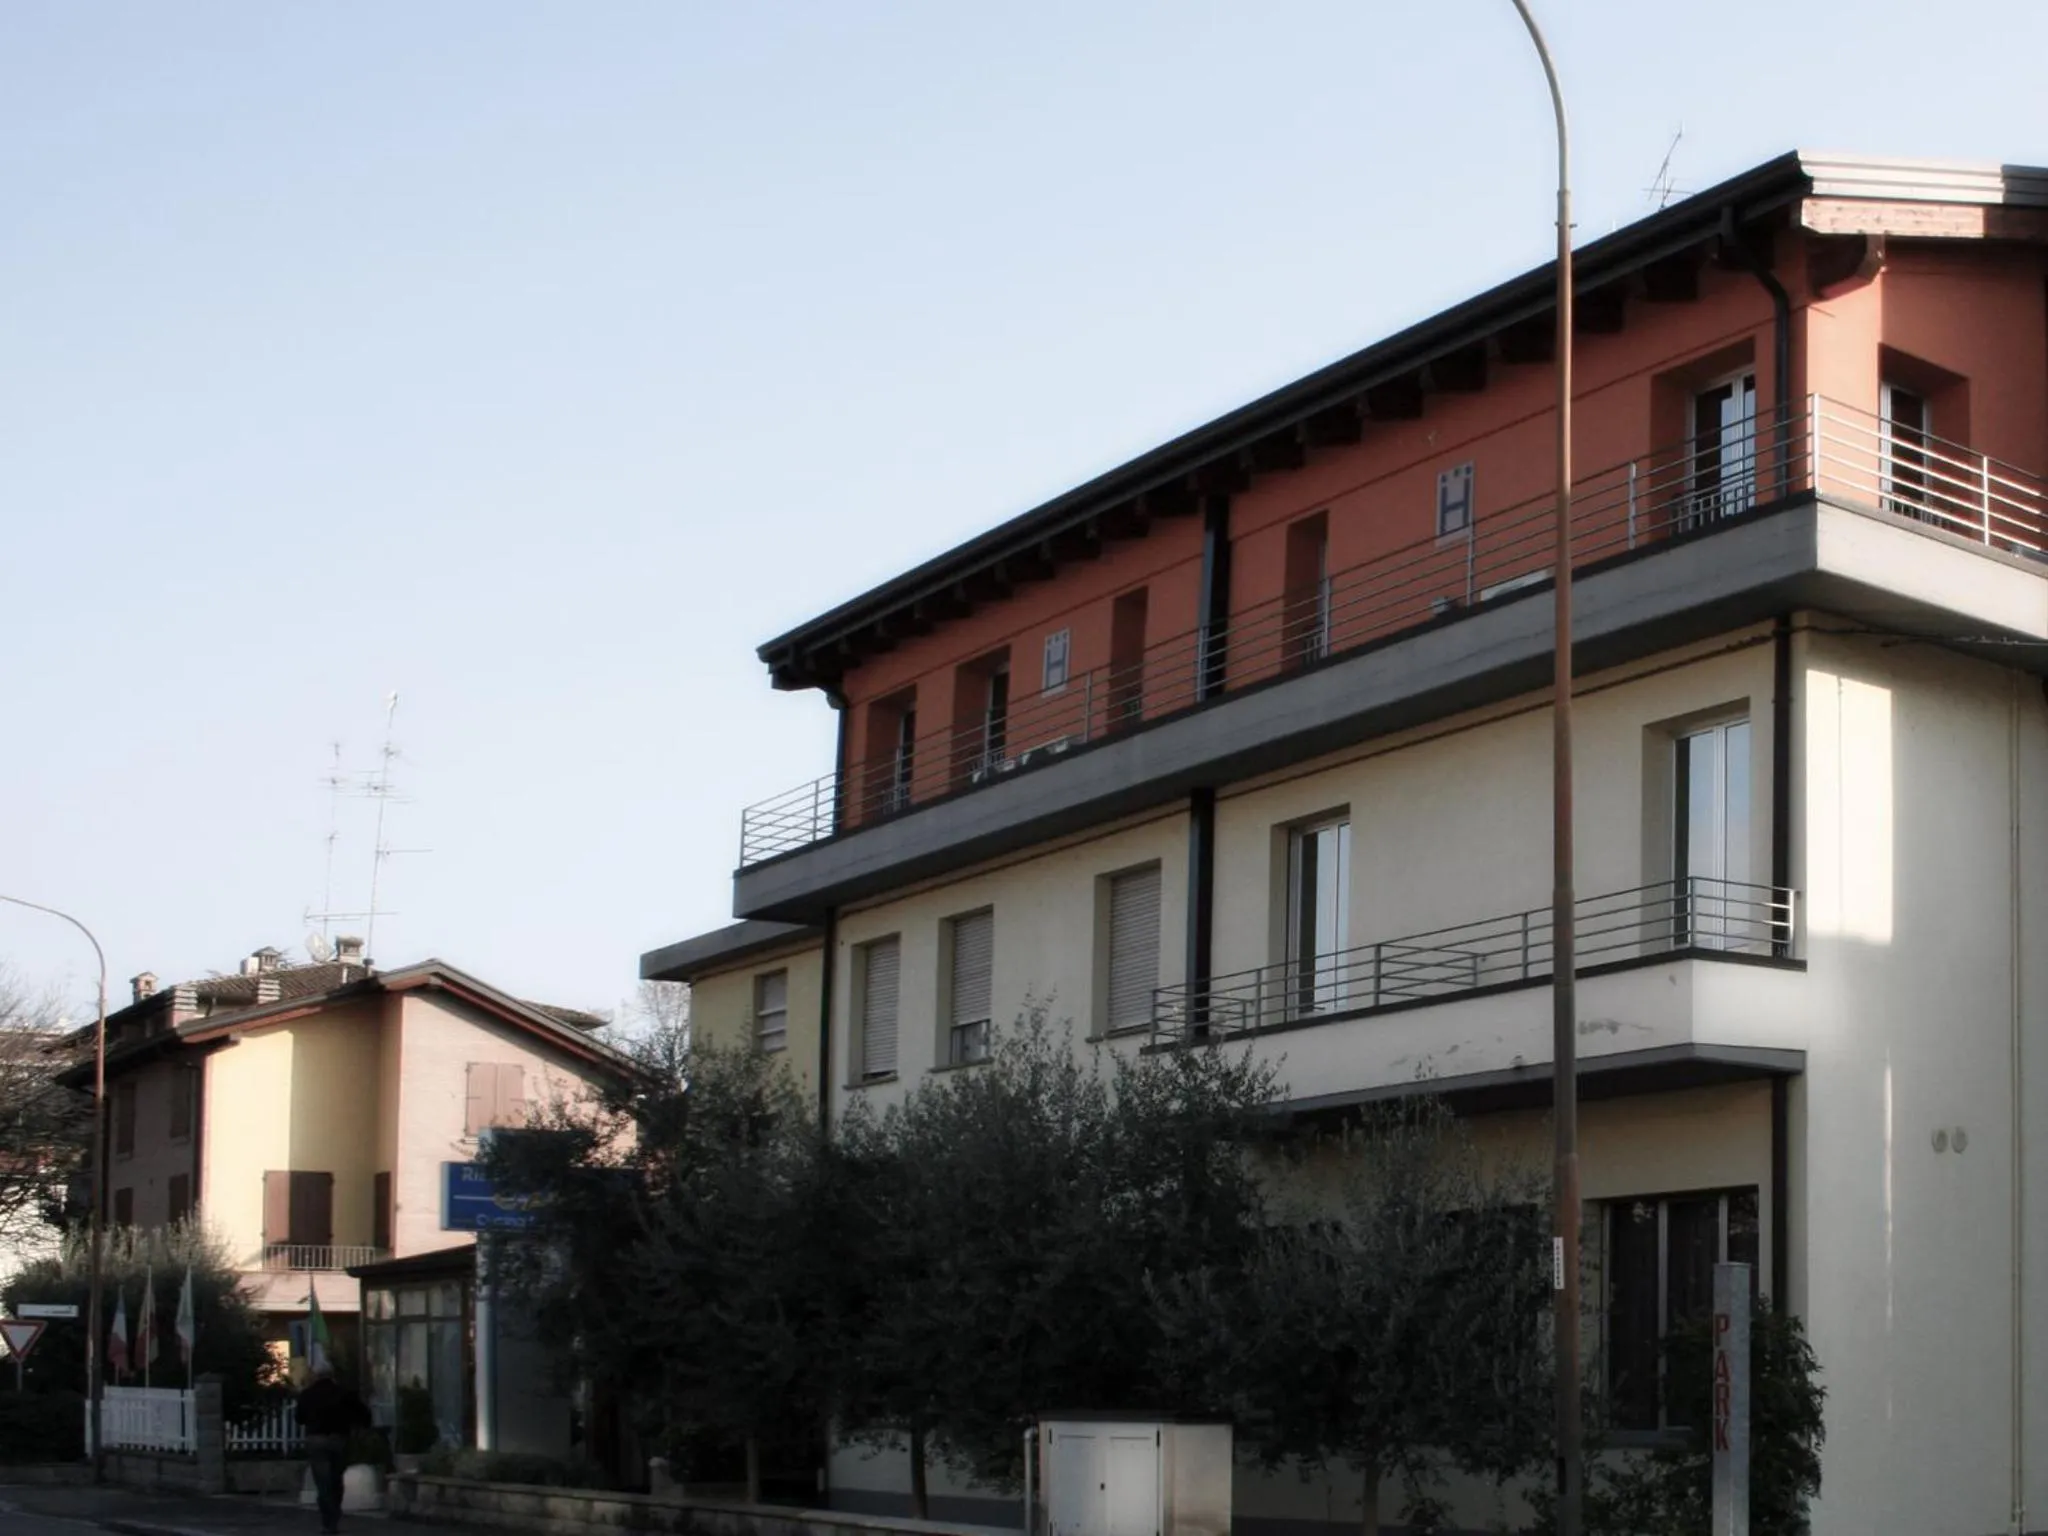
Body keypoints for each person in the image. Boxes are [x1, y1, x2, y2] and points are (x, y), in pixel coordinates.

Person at [296, 1362, 371, 1535]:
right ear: (332, 1374)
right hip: (339, 1439)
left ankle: (327, 1520)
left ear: (315, 1375)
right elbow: (363, 1414)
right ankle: (335, 1515)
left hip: (316, 1439)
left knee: (323, 1482)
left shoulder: (307, 1394)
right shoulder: (344, 1393)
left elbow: (299, 1418)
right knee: (336, 1479)